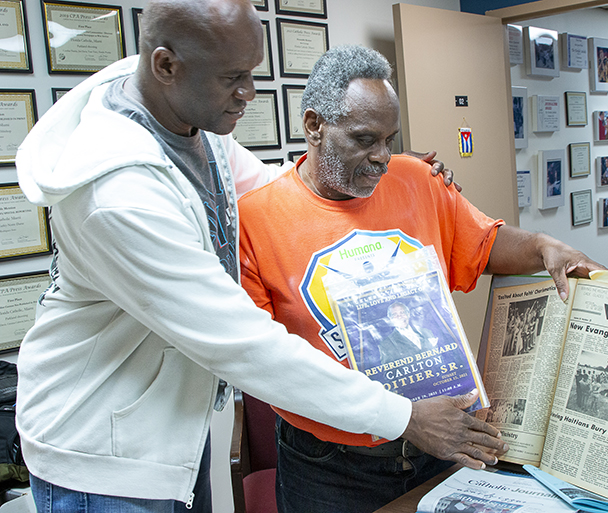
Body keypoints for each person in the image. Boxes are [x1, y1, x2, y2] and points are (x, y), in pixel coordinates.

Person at [12, 2, 506, 511]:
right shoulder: (118, 199)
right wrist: (406, 417)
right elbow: (245, 344)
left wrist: (379, 166)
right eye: (233, 78)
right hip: (103, 451)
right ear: (165, 66)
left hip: (167, 427)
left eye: (251, 72)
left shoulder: (187, 127)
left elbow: (280, 189)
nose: (248, 92)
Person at [237, 44, 605, 512]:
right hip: (331, 466)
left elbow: (482, 243)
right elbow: (264, 364)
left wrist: (542, 247)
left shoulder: (417, 179)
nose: (382, 158)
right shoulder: (255, 219)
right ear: (314, 125)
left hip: (443, 445)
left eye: (390, 139)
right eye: (365, 139)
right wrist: (405, 419)